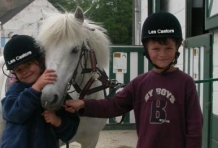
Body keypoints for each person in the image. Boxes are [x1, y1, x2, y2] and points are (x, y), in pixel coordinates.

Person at [65, 12, 203, 148]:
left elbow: (195, 126)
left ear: (177, 48)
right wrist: (84, 104)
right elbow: (113, 105)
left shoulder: (186, 83)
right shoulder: (139, 83)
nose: (162, 54)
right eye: (156, 48)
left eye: (169, 48)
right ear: (147, 49)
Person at [0, 35, 79, 148]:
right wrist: (36, 88)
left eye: (28, 64)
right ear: (15, 74)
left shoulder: (54, 91)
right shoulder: (15, 90)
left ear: (41, 61)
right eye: (19, 70)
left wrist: (57, 121)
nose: (25, 71)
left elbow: (69, 132)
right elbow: (13, 113)